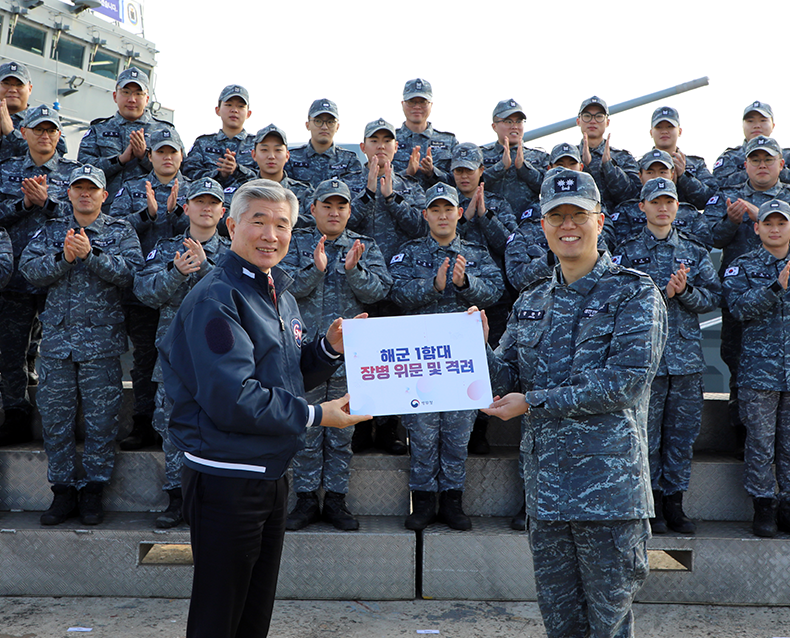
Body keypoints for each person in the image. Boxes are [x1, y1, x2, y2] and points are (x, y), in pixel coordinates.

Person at [158, 178, 369, 638]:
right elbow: (233, 398)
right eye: (259, 222)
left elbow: (283, 374)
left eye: (282, 225)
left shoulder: (277, 293)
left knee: (252, 615)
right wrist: (318, 416)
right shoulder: (218, 297)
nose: (271, 235)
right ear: (232, 225)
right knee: (220, 615)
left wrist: (328, 350)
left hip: (268, 474)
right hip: (227, 479)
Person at [483, 168, 667, 638]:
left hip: (608, 496)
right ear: (543, 225)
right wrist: (474, 348)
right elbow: (503, 378)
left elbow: (624, 383)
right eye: (556, 216)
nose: (567, 225)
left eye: (578, 215)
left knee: (607, 627)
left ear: (599, 220)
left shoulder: (634, 293)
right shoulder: (531, 301)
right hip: (546, 497)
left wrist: (534, 402)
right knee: (560, 626)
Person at [19, 165, 143, 526]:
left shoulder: (120, 231)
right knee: (56, 421)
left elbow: (130, 274)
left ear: (105, 195)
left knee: (101, 423)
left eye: (92, 189)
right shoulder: (53, 230)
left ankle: (92, 491)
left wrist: (91, 256)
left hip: (100, 344)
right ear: (69, 194)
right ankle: (62, 491)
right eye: (78, 189)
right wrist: (65, 258)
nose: (85, 194)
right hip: (57, 343)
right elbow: (29, 270)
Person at [390, 182, 503, 531]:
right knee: (422, 436)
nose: (442, 215)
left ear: (459, 213)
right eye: (435, 209)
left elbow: (495, 291)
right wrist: (434, 286)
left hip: (460, 362)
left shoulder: (476, 253)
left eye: (448, 209)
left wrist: (466, 282)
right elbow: (394, 293)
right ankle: (423, 501)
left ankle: (452, 501)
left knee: (457, 434)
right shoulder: (408, 253)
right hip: (421, 361)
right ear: (425, 215)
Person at [281, 179, 392, 531]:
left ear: (348, 211)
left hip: (352, 361)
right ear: (312, 210)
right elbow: (281, 289)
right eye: (326, 206)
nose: (334, 212)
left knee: (342, 436)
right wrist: (315, 269)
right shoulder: (294, 243)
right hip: (307, 356)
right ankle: (306, 500)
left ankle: (337, 502)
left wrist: (352, 270)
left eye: (341, 206)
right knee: (307, 430)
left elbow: (379, 292)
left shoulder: (365, 247)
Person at [612, 178, 721, 535]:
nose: (662, 208)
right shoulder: (626, 253)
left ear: (676, 207)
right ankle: (651, 504)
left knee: (681, 435)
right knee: (646, 435)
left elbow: (712, 298)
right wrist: (661, 293)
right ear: (641, 206)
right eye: (655, 201)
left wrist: (685, 291)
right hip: (645, 361)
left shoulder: (694, 251)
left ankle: (675, 503)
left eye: (669, 201)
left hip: (686, 362)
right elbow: (617, 299)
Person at [133, 177, 230, 528]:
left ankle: (213, 498)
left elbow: (241, 299)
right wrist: (176, 271)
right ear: (185, 207)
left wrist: (204, 269)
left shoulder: (234, 253)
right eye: (199, 202)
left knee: (219, 427)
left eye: (213, 203)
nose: (206, 208)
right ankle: (177, 499)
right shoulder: (165, 248)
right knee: (172, 429)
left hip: (219, 361)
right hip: (175, 359)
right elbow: (144, 292)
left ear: (223, 211)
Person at [0, 105, 79, 445]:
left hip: (56, 276)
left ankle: (60, 416)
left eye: (51, 130)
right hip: (14, 278)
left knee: (60, 349)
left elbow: (84, 217)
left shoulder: (74, 174)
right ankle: (16, 413)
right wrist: (23, 205)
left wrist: (47, 204)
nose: (45, 135)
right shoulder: (6, 171)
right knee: (11, 350)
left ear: (59, 136)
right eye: (38, 129)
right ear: (24, 133)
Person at [110, 127, 191, 451]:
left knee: (182, 358)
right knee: (144, 359)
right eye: (160, 152)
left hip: (183, 293)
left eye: (172, 152)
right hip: (142, 291)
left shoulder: (195, 191)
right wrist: (150, 214)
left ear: (181, 156)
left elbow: (210, 224)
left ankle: (179, 424)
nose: (167, 157)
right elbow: (112, 227)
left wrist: (177, 214)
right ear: (151, 156)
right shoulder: (133, 189)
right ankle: (143, 422)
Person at [705, 135, 790, 441]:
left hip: (783, 307)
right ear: (745, 165)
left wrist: (760, 215)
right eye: (756, 160)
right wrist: (731, 221)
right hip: (742, 296)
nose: (762, 165)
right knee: (736, 358)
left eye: (768, 160)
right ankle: (741, 433)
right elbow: (711, 238)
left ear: (781, 164)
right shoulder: (729, 196)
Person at [722, 199, 790, 538]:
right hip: (759, 373)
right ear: (757, 228)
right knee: (761, 444)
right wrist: (776, 286)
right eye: (769, 223)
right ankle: (763, 506)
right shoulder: (743, 266)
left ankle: (788, 506)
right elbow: (738, 308)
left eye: (782, 223)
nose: (775, 229)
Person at [77, 66, 176, 211]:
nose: (132, 99)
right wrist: (119, 160)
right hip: (106, 214)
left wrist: (144, 156)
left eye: (138, 94)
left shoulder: (165, 131)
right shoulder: (98, 130)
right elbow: (83, 169)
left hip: (153, 214)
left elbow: (178, 173)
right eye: (126, 92)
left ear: (147, 98)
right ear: (115, 96)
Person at [610, 150, 711, 249]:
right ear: (640, 176)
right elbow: (619, 247)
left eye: (663, 172)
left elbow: (703, 247)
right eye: (650, 172)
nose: (657, 176)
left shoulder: (690, 213)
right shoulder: (625, 211)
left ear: (672, 175)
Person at [181, 84, 257, 210]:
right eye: (228, 105)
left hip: (247, 209)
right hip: (208, 211)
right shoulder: (203, 143)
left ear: (248, 113)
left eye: (240, 106)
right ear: (217, 110)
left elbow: (266, 176)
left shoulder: (258, 144)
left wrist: (238, 170)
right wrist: (219, 174)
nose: (234, 110)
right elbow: (188, 173)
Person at [480, 99, 549, 217]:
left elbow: (548, 189)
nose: (514, 126)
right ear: (494, 126)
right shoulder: (480, 155)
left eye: (519, 121)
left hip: (529, 227)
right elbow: (469, 185)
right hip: (490, 224)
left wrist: (523, 168)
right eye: (508, 121)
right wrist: (500, 167)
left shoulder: (540, 156)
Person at [576, 96, 641, 210]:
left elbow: (633, 196)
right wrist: (583, 167)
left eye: (599, 116)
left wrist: (609, 167)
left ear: (607, 122)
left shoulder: (623, 158)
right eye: (587, 116)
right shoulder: (568, 157)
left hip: (617, 222)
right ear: (578, 121)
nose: (593, 121)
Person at [648, 105, 717, 210]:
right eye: (659, 127)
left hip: (689, 223)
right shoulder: (642, 166)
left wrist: (683, 176)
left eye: (670, 126)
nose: (664, 131)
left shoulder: (696, 164)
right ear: (651, 132)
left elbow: (710, 198)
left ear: (679, 131)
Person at [392, 78, 457, 186]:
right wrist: (407, 173)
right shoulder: (389, 140)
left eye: (423, 102)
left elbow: (460, 182)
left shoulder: (449, 142)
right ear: (402, 104)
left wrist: (433, 172)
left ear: (431, 104)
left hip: (438, 202)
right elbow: (379, 179)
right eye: (411, 102)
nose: (417, 107)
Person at [284, 98, 362, 188]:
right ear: (307, 125)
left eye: (330, 122)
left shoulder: (349, 160)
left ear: (337, 127)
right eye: (318, 121)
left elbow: (354, 194)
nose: (324, 127)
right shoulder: (292, 158)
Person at [713, 101, 790, 188]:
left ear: (773, 125)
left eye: (763, 120)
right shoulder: (729, 157)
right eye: (750, 121)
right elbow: (717, 186)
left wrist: (776, 168)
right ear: (743, 126)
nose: (757, 125)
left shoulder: (787, 156)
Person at [0, 61, 67, 160]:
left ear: (30, 89)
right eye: (6, 84)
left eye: (19, 85)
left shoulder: (45, 119)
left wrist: (11, 133)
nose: (13, 89)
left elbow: (56, 155)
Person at [249, 124, 312, 225]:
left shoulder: (304, 192)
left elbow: (316, 219)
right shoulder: (243, 190)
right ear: (254, 155)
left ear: (287, 156)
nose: (271, 156)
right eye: (264, 150)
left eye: (278, 150)